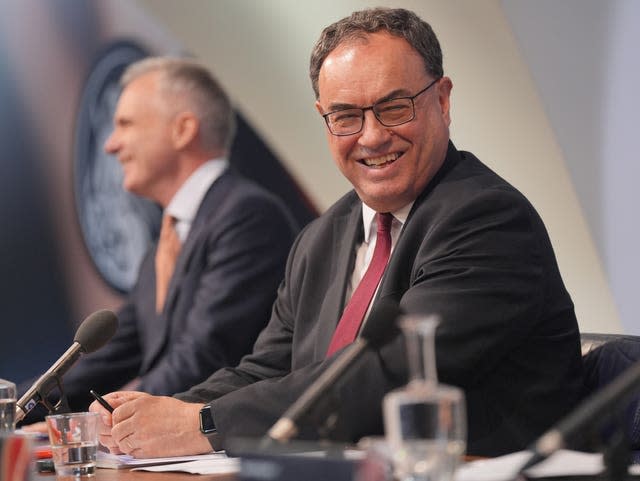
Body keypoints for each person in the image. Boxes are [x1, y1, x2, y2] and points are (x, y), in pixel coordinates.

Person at [90, 8, 584, 458]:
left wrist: (201, 423)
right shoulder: (322, 237)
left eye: (394, 107)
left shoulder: (487, 220)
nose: (371, 136)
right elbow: (266, 370)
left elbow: (391, 372)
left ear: (442, 99)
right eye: (346, 116)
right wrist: (156, 413)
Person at [22, 56, 298, 419]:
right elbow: (110, 354)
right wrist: (22, 408)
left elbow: (202, 358)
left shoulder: (248, 216)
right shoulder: (164, 242)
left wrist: (100, 420)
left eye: (125, 124)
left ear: (182, 129)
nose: (110, 145)